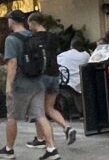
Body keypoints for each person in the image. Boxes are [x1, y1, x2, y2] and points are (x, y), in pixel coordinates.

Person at [0, 10, 60, 160]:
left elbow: (12, 63)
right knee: (40, 115)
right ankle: (51, 148)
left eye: (8, 20)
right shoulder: (33, 35)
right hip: (38, 81)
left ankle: (9, 149)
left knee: (11, 116)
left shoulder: (11, 39)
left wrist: (8, 85)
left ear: (12, 21)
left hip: (21, 83)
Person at [26, 12, 77, 149]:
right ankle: (67, 127)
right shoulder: (53, 37)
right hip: (54, 75)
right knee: (49, 107)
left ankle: (42, 139)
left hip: (40, 77)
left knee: (38, 109)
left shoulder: (32, 39)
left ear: (33, 23)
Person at [57, 39, 90, 117]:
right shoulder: (86, 55)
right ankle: (81, 110)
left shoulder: (63, 55)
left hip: (67, 81)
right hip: (82, 81)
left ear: (71, 46)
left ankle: (73, 111)